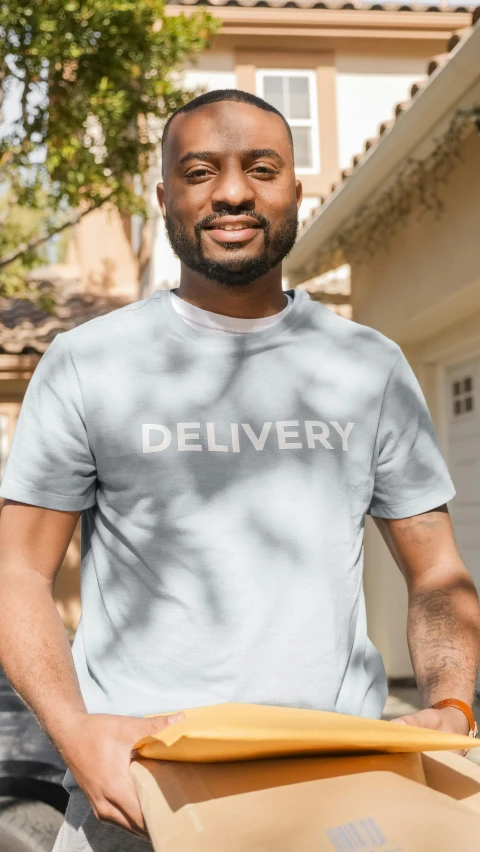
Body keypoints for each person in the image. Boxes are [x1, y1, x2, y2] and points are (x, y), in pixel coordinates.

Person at [0, 89, 479, 851]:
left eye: (262, 168)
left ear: (295, 190)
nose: (232, 191)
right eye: (200, 171)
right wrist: (74, 732)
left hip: (338, 788)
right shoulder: (88, 363)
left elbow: (436, 573)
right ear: (164, 197)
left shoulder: (368, 367)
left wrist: (451, 709)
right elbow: (18, 574)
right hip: (140, 786)